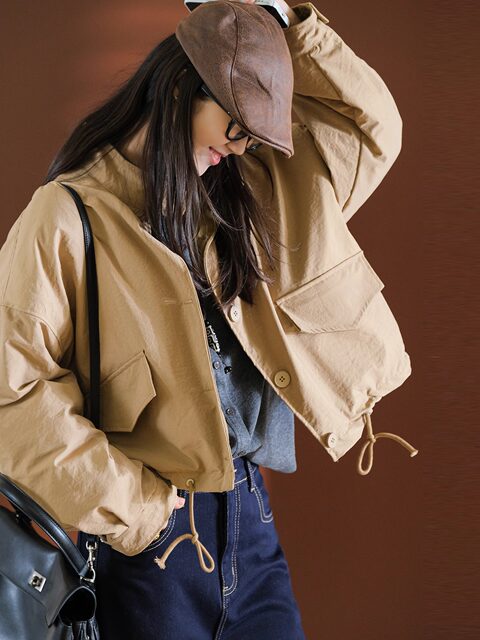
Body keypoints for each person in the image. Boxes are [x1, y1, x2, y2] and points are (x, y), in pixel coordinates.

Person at [0, 1, 418, 638]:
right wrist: (136, 510)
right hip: (150, 555)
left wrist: (286, 21)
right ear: (179, 90)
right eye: (235, 125)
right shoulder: (68, 214)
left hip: (252, 531)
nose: (242, 144)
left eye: (252, 134)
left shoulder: (254, 190)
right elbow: (13, 389)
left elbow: (370, 128)